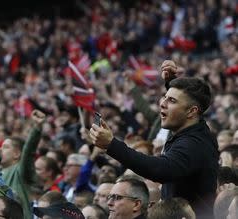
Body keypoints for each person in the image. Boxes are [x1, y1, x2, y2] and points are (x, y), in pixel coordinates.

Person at [88, 60, 219, 218]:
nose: (162, 104)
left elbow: (160, 169)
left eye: (171, 101)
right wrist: (171, 82)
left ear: (192, 111)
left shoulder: (194, 144)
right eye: (165, 97)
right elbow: (187, 104)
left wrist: (111, 145)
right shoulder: (192, 127)